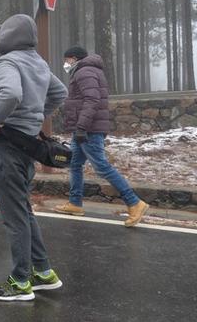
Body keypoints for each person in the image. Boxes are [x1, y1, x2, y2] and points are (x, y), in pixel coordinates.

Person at [0, 14, 68, 301]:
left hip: (6, 147)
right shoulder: (37, 61)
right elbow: (59, 92)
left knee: (15, 217)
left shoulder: (8, 62)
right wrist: (36, 116)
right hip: (26, 146)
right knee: (24, 211)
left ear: (5, 37)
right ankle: (43, 273)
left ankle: (20, 282)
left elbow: (11, 93)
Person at [53, 46, 149, 227]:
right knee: (74, 164)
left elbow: (92, 100)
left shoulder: (84, 72)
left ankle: (135, 202)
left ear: (73, 58)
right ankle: (75, 203)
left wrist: (81, 127)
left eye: (66, 60)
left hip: (88, 129)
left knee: (102, 166)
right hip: (82, 128)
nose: (65, 64)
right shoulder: (87, 71)